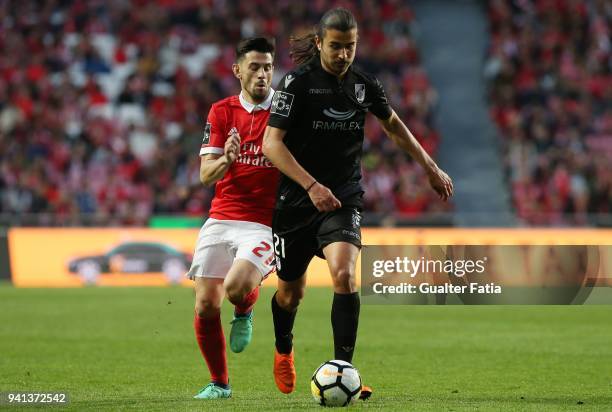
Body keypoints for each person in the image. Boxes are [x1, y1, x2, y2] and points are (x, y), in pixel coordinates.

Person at [262, 8, 453, 398]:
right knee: (289, 295)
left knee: (345, 276)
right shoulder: (295, 84)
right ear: (319, 44)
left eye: (350, 47)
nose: (343, 54)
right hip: (296, 202)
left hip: (343, 199)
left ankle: (344, 370)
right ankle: (284, 349)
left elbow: (394, 126)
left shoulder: (364, 85)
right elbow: (271, 145)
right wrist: (312, 185)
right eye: (335, 46)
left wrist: (430, 168)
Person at [187, 37, 278, 400]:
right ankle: (220, 384)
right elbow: (205, 175)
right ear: (237, 70)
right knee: (206, 304)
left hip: (265, 223)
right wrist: (227, 159)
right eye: (254, 66)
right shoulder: (221, 112)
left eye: (268, 67)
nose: (261, 74)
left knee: (236, 287)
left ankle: (245, 309)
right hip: (222, 217)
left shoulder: (286, 111)